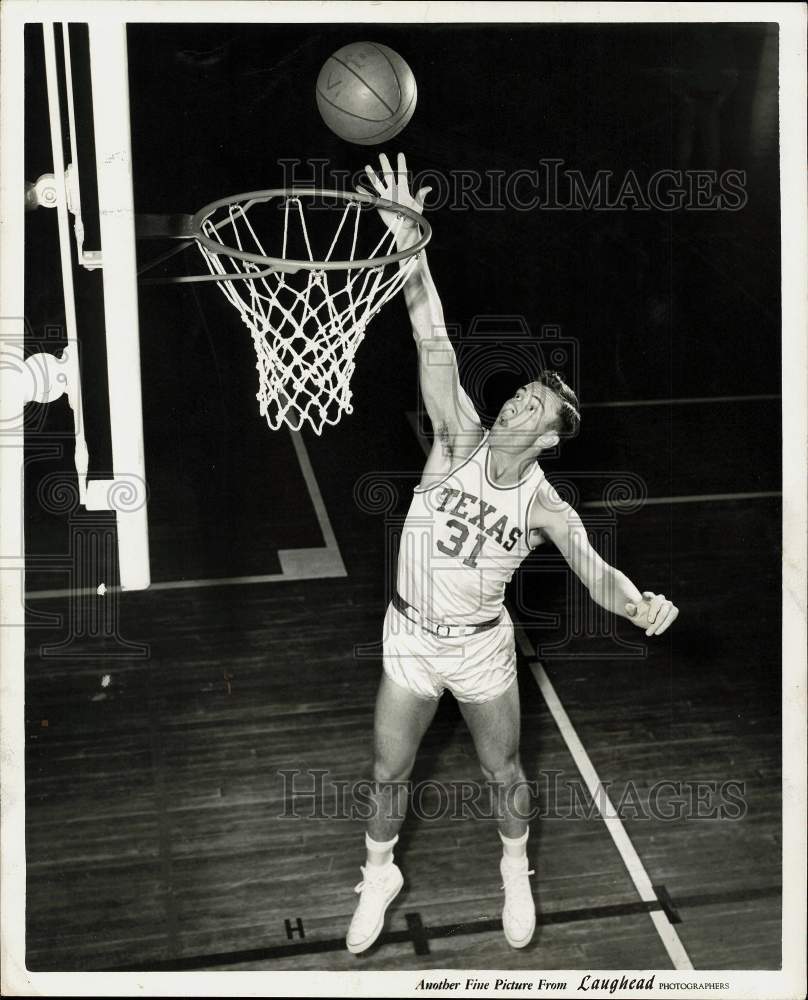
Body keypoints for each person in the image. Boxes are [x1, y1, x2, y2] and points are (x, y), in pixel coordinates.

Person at [345, 152, 679, 955]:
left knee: (505, 775)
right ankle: (379, 872)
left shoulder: (542, 505)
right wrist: (407, 245)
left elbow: (595, 569)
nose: (517, 401)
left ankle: (515, 869)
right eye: (521, 392)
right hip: (410, 637)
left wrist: (638, 604)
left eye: (533, 405)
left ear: (549, 439)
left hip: (481, 652)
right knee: (388, 774)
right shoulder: (457, 434)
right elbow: (430, 333)